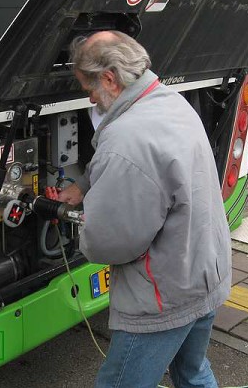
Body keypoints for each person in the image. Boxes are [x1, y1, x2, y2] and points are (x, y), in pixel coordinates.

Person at [58, 31, 232, 388]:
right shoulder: (168, 102)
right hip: (205, 272)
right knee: (191, 371)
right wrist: (83, 186)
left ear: (109, 78)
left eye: (88, 87)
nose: (89, 97)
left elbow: (112, 243)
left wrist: (83, 231)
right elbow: (144, 163)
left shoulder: (127, 139)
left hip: (164, 297)